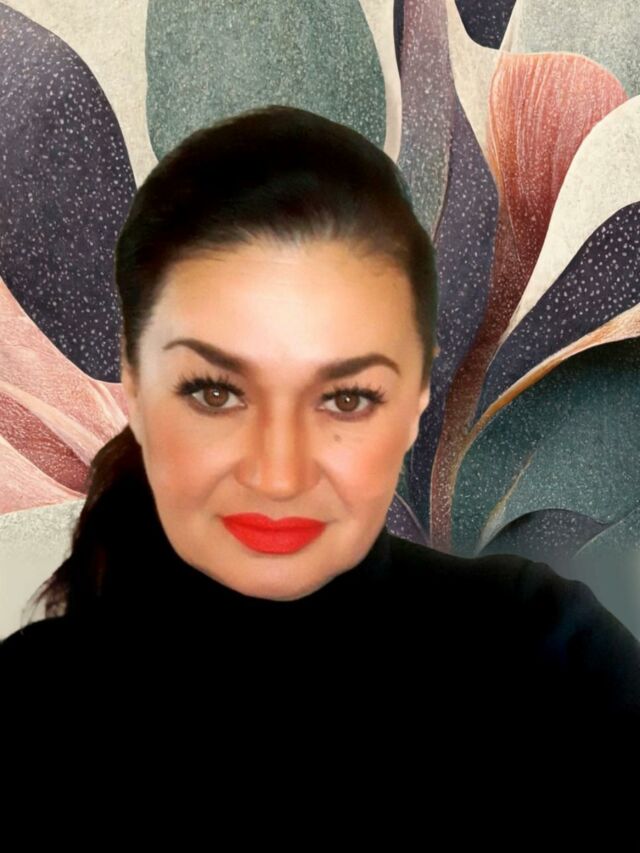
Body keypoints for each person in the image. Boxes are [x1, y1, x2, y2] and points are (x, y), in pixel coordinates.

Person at [1, 105, 639, 779]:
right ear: (134, 387)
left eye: (346, 397)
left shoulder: (551, 658)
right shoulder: (28, 705)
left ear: (417, 396)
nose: (279, 475)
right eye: (215, 393)